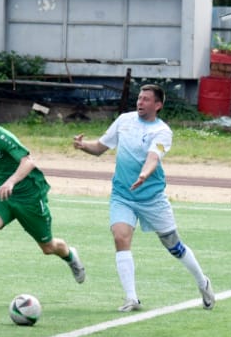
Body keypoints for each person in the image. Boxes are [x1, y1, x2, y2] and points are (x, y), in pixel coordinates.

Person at [73, 84, 215, 312]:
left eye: (147, 99)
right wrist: (83, 146)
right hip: (122, 195)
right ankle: (131, 298)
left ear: (157, 105)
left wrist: (144, 174)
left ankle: (202, 282)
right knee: (120, 237)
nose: (140, 102)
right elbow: (100, 147)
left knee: (173, 246)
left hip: (152, 198)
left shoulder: (162, 131)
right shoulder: (124, 121)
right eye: (139, 98)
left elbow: (153, 157)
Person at [0, 107, 85, 304]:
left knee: (48, 247)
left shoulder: (1, 137)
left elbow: (28, 162)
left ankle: (70, 255)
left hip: (29, 194)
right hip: (4, 196)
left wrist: (11, 182)